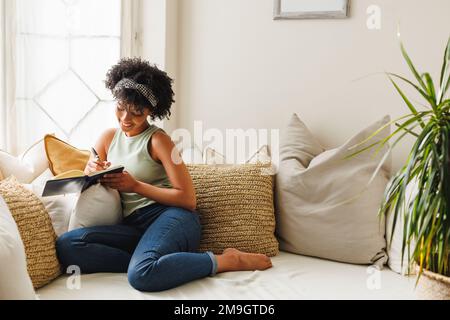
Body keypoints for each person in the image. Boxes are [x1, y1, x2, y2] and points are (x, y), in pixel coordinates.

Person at [56, 57, 272, 292]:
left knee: (141, 277)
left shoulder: (159, 141)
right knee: (68, 245)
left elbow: (188, 200)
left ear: (150, 110)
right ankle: (157, 261)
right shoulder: (107, 138)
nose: (126, 119)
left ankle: (226, 260)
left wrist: (135, 186)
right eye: (120, 108)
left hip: (172, 218)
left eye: (136, 112)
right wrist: (91, 170)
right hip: (134, 227)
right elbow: (91, 172)